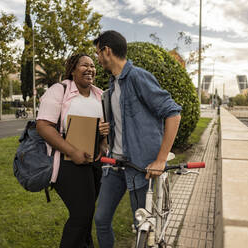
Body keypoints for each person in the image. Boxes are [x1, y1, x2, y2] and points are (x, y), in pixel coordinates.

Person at [93, 30, 182, 247]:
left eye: (97, 53)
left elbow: (173, 113)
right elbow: (125, 122)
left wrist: (161, 160)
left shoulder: (137, 77)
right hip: (115, 165)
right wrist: (108, 128)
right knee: (101, 219)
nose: (97, 58)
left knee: (142, 227)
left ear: (107, 51)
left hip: (141, 167)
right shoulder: (113, 85)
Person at [36, 53, 109, 248]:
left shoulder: (100, 95)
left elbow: (105, 128)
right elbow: (43, 126)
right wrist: (74, 151)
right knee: (81, 213)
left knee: (87, 214)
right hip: (66, 160)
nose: (90, 69)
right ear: (72, 69)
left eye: (93, 66)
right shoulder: (58, 91)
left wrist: (103, 137)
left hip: (94, 161)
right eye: (84, 65)